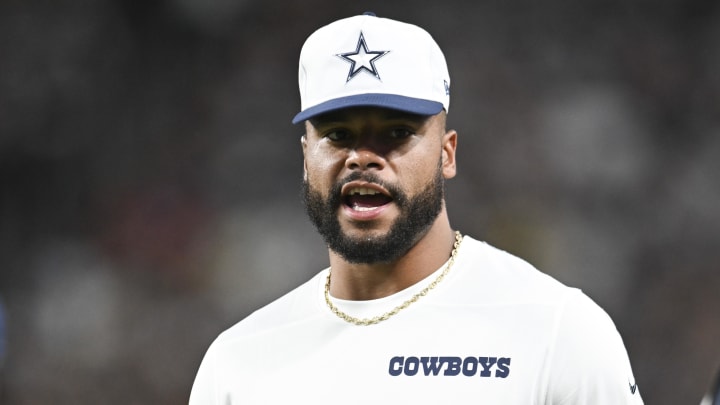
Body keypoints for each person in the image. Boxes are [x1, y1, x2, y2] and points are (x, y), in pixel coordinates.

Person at [190, 12, 643, 404]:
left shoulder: (557, 330)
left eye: (396, 133)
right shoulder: (238, 362)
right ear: (305, 158)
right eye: (337, 135)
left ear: (447, 154)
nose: (362, 157)